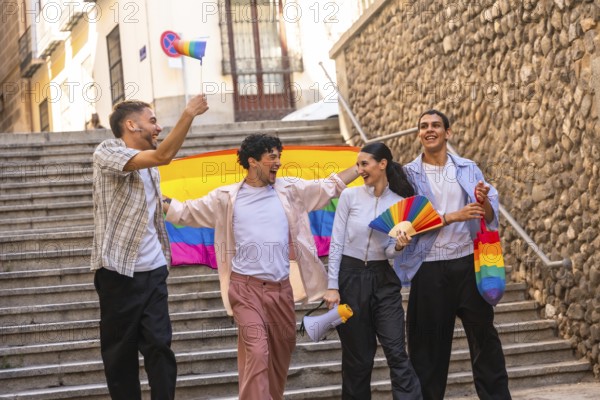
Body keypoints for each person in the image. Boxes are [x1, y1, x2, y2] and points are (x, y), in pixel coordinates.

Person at [162, 133, 359, 400]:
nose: (278, 162)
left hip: (281, 291)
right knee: (256, 352)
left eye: (279, 155)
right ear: (253, 162)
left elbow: (328, 187)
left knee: (280, 355)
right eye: (272, 156)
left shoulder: (290, 190)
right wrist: (155, 197)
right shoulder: (226, 198)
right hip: (245, 289)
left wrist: (358, 167)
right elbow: (186, 211)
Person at [91, 95, 209, 400]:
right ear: (131, 124)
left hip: (153, 270)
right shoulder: (107, 152)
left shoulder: (151, 169)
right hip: (118, 272)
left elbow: (158, 207)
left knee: (160, 346)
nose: (158, 128)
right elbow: (163, 156)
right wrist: (188, 114)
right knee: (120, 358)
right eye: (152, 121)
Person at [397, 109, 511, 400]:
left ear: (448, 133)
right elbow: (409, 224)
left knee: (486, 342)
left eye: (436, 125)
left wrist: (483, 202)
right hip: (429, 268)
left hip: (467, 266)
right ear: (419, 134)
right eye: (423, 126)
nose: (429, 130)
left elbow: (489, 214)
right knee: (426, 351)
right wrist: (453, 215)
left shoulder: (467, 167)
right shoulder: (409, 175)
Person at [323, 142, 422, 400]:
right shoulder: (349, 196)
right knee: (358, 357)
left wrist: (399, 246)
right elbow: (336, 243)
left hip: (383, 279)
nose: (359, 170)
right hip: (349, 277)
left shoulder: (400, 203)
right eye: (358, 164)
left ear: (382, 164)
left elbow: (390, 251)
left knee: (396, 351)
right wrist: (332, 286)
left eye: (364, 164)